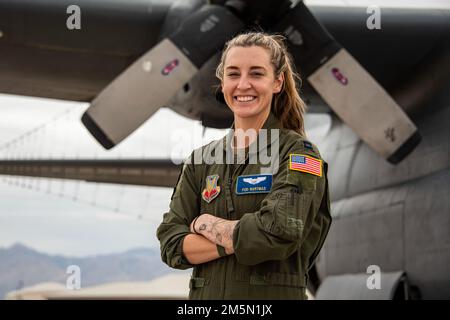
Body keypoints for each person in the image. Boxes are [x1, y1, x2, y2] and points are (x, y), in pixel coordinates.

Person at [157, 32, 331, 299]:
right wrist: (237, 237)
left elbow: (277, 233)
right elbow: (171, 245)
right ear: (222, 82)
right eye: (233, 74)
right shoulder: (201, 160)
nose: (244, 84)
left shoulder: (299, 154)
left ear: (277, 82)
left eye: (257, 74)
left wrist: (204, 224)